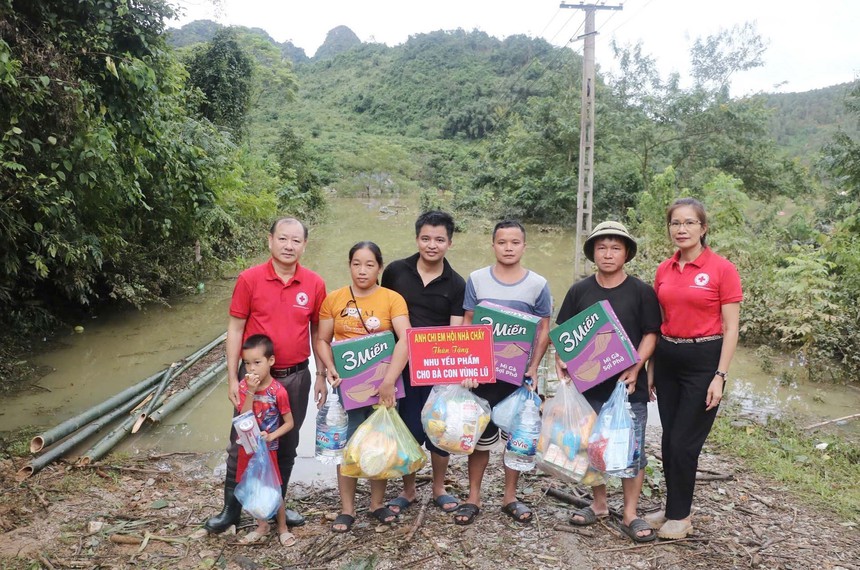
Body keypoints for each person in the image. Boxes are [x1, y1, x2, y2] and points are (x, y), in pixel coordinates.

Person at [205, 217, 327, 534]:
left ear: (304, 245)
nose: (289, 246)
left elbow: (318, 333)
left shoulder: (314, 283)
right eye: (283, 239)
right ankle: (230, 511)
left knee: (286, 443)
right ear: (270, 240)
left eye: (296, 241)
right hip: (254, 381)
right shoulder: (250, 279)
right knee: (242, 441)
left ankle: (275, 507)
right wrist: (233, 378)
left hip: (296, 377)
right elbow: (234, 329)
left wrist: (321, 374)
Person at [554, 221, 661, 543]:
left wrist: (637, 366)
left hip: (628, 386)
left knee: (632, 449)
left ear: (627, 253)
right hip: (590, 386)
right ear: (593, 253)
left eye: (615, 247)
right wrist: (562, 359)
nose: (608, 254)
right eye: (602, 247)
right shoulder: (580, 290)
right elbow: (564, 334)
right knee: (592, 446)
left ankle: (630, 512)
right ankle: (599, 504)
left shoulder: (641, 291)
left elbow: (650, 333)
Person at [647, 198, 742, 539]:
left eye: (689, 223)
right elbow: (660, 322)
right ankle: (672, 507)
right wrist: (653, 366)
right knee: (669, 439)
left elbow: (731, 328)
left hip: (704, 362)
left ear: (703, 228)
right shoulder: (664, 269)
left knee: (686, 443)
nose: (681, 229)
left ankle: (681, 516)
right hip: (669, 358)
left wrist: (720, 375)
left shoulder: (721, 269)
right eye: (675, 223)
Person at [456, 220, 552, 526]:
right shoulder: (477, 279)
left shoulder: (537, 284)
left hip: (518, 377)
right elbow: (468, 323)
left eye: (514, 242)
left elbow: (543, 328)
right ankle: (473, 497)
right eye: (502, 242)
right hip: (482, 376)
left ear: (524, 246)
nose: (508, 248)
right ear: (493, 245)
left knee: (516, 439)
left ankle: (510, 497)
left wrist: (534, 367)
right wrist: (469, 364)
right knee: (479, 439)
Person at [316, 241, 412, 533]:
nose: (362, 270)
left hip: (381, 387)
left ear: (379, 268)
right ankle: (347, 509)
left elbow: (405, 339)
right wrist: (327, 368)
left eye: (369, 264)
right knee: (346, 446)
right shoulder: (334, 299)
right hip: (345, 386)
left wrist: (388, 381)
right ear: (349, 265)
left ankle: (376, 504)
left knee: (377, 444)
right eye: (356, 263)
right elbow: (322, 339)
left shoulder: (392, 299)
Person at [380, 211, 466, 515]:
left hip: (437, 368)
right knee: (408, 428)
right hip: (400, 366)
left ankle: (439, 487)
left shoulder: (456, 283)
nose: (432, 245)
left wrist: (457, 371)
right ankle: (408, 489)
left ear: (450, 243)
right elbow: (382, 310)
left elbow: (456, 331)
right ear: (417, 238)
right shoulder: (395, 272)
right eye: (426, 238)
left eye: (439, 239)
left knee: (439, 429)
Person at [234, 335, 296, 547]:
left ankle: (282, 527)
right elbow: (243, 415)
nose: (251, 369)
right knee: (253, 485)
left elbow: (289, 423)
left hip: (268, 448)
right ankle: (261, 525)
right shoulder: (244, 386)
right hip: (248, 447)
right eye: (247, 363)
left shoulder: (278, 391)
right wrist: (250, 391)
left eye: (257, 363)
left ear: (270, 361)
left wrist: (271, 436)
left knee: (273, 487)